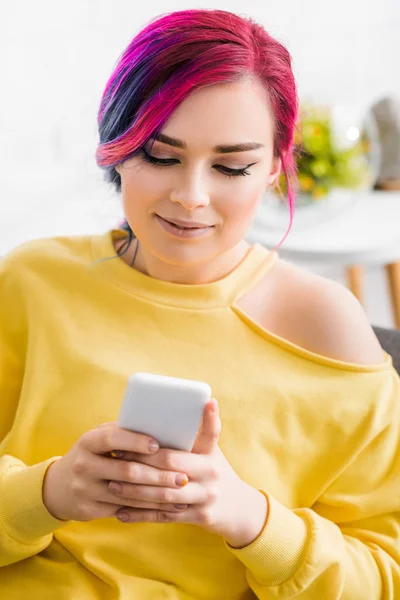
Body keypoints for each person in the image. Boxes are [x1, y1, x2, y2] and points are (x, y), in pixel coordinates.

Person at [0, 8, 399, 599]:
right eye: (161, 156)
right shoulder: (31, 282)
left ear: (273, 167)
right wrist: (48, 493)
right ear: (118, 145)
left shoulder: (328, 329)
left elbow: (384, 576)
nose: (191, 197)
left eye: (232, 165)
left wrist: (252, 520)